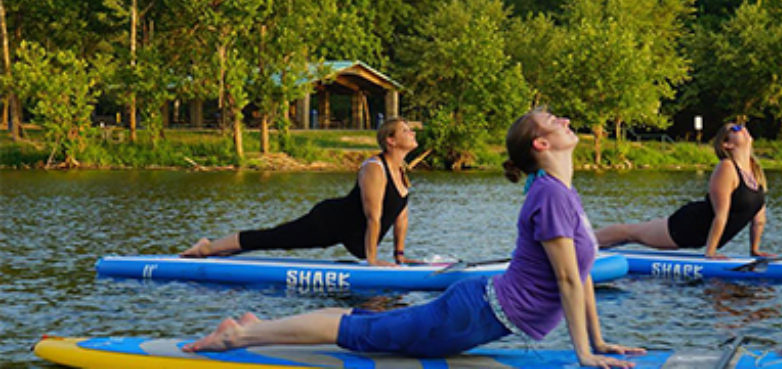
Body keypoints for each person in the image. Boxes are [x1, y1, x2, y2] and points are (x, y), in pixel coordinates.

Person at [184, 109, 645, 368]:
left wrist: (599, 344)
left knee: (364, 324)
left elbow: (581, 274)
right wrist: (583, 355)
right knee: (360, 332)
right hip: (473, 315)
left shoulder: (562, 192)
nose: (565, 120)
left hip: (477, 313)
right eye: (553, 120)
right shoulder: (550, 197)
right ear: (540, 146)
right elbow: (566, 281)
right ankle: (239, 335)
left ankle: (253, 324)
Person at [181, 117, 419, 266]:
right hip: (329, 222)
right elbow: (373, 216)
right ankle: (207, 247)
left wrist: (399, 254)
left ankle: (221, 252)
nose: (413, 133)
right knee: (274, 238)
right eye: (406, 130)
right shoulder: (374, 168)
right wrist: (373, 260)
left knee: (272, 239)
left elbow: (401, 216)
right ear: (391, 140)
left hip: (356, 237)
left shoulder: (401, 172)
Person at [594, 121, 771, 259]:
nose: (742, 129)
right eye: (736, 128)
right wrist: (710, 253)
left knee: (633, 234)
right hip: (688, 226)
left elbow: (758, 219)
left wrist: (755, 250)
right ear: (727, 144)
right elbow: (721, 214)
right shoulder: (727, 168)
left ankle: (592, 247)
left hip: (703, 236)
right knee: (632, 233)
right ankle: (583, 245)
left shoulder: (756, 172)